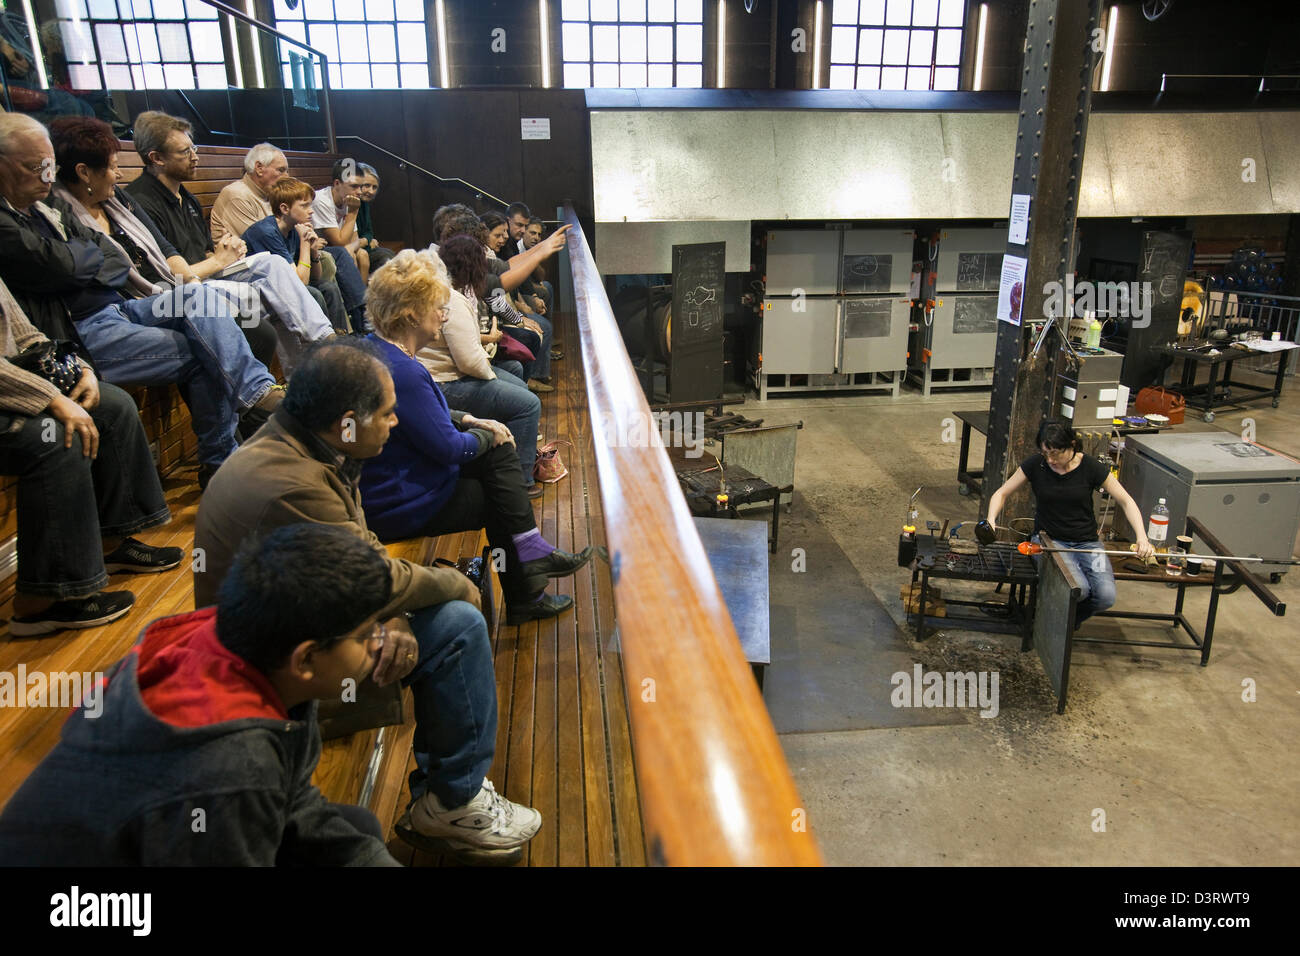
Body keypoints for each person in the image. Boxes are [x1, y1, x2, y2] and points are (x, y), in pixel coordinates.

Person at [193, 340, 544, 862]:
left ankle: (450, 789)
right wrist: (450, 586)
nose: (395, 425)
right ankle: (451, 801)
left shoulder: (308, 447)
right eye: (387, 414)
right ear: (348, 422)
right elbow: (372, 575)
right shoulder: (292, 483)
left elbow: (362, 556)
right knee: (459, 621)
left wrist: (393, 612)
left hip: (304, 624)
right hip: (281, 668)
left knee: (440, 611)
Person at [0, 523, 404, 865]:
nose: (379, 642)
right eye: (367, 635)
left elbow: (293, 800)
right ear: (307, 659)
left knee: (359, 833)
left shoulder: (237, 641)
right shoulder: (233, 768)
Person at [0, 113, 282, 489]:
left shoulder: (54, 206)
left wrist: (78, 259)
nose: (46, 175)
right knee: (209, 347)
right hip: (84, 328)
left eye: (49, 165)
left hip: (124, 305)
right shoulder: (22, 215)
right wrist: (79, 258)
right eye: (37, 166)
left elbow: (112, 259)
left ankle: (256, 392)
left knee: (197, 297)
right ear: (84, 172)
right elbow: (61, 263)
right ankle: (222, 459)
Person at [360, 249, 591, 622]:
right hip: (400, 502)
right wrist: (490, 434)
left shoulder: (380, 350)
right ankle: (528, 580)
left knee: (495, 460)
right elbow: (451, 449)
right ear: (411, 313)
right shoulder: (403, 370)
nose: (444, 314)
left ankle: (530, 576)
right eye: (438, 306)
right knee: (497, 487)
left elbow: (429, 415)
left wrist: (470, 418)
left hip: (398, 482)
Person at [0, 276, 180, 636]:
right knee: (54, 438)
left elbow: (27, 336)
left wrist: (78, 367)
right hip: (11, 396)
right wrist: (52, 399)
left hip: (16, 387)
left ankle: (111, 542)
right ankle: (44, 600)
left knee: (112, 405)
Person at [120, 111, 335, 368]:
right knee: (275, 305)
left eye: (194, 148)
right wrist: (219, 260)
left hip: (209, 276)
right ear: (156, 158)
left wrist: (227, 253)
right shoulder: (141, 204)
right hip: (179, 291)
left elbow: (206, 252)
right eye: (185, 152)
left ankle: (325, 340)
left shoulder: (186, 199)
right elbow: (165, 276)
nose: (195, 157)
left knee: (274, 264)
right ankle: (303, 376)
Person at [986, 420, 1155, 629]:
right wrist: (991, 520)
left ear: (1072, 445)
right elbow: (1001, 493)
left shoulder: (1091, 467)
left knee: (1105, 597)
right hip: (1049, 542)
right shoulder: (1036, 464)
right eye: (1045, 453)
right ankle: (1055, 630)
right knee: (1078, 589)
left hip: (1088, 544)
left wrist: (1142, 538)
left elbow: (1126, 500)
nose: (1050, 459)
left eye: (1055, 453)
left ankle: (1062, 626)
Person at [420, 233, 542, 489]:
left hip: (444, 375)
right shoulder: (451, 298)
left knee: (518, 384)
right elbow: (469, 362)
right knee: (528, 404)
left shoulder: (445, 290)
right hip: (446, 382)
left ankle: (508, 458)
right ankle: (518, 482)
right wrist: (492, 376)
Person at [242, 176, 352, 335]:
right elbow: (301, 282)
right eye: (304, 205)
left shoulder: (294, 227)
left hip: (284, 284)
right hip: (257, 292)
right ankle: (324, 345)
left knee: (328, 287)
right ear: (285, 209)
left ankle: (341, 338)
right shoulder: (266, 232)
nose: (311, 210)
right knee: (313, 293)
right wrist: (305, 244)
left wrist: (314, 250)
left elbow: (316, 277)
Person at [310, 159, 369, 330]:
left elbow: (354, 240)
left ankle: (366, 314)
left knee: (370, 255)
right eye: (353, 186)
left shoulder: (348, 201)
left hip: (339, 251)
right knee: (344, 254)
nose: (359, 192)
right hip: (321, 250)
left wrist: (352, 247)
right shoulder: (322, 200)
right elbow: (339, 241)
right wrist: (353, 213)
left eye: (361, 186)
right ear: (337, 183)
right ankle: (363, 316)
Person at [208, 141, 286, 243]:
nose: (286, 177)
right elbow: (263, 242)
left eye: (286, 171)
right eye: (281, 170)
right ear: (259, 168)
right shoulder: (237, 195)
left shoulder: (269, 193)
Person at [354, 163, 395, 276]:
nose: (371, 191)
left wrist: (366, 240)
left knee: (389, 254)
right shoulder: (352, 203)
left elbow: (368, 232)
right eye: (367, 185)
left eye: (374, 187)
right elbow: (353, 241)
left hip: (363, 248)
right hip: (354, 251)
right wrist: (367, 241)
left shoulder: (364, 203)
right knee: (386, 258)